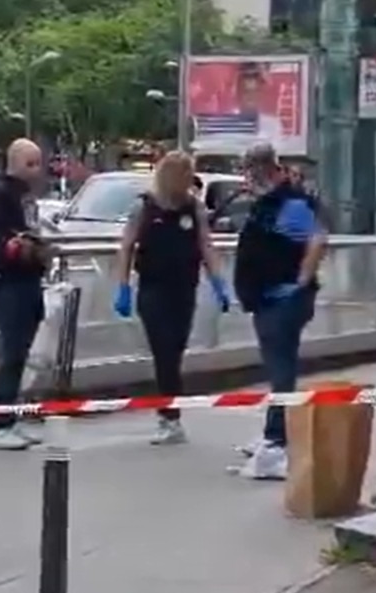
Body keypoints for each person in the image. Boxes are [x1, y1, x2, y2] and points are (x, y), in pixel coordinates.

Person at [111, 152, 231, 445]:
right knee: (164, 350)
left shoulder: (195, 208)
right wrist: (123, 286)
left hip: (184, 288)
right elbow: (127, 246)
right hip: (153, 289)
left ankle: (170, 411)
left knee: (175, 350)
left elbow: (206, 245)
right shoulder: (145, 207)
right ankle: (169, 417)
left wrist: (219, 282)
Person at [232, 144, 327, 480]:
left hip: (281, 298)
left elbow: (317, 239)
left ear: (264, 168)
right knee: (278, 367)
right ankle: (274, 434)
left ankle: (277, 441)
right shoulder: (272, 202)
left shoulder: (293, 202)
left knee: (281, 367)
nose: (246, 176)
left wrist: (300, 282)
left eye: (249, 168)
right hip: (268, 297)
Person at [0, 139, 51, 451]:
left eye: (38, 164)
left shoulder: (24, 197)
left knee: (21, 354)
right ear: (15, 162)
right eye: (29, 164)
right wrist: (19, 249)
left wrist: (40, 250)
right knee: (12, 354)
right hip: (10, 283)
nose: (36, 171)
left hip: (29, 280)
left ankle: (11, 416)